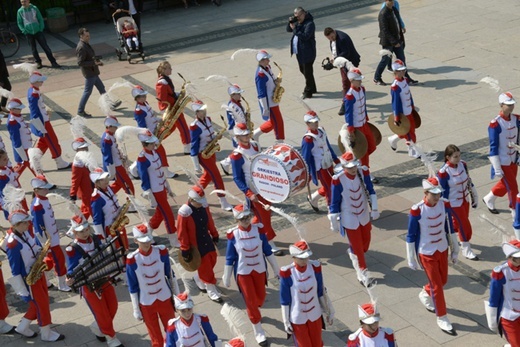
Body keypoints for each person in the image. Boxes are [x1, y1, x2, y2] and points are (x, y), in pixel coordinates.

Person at [405, 177, 459, 334]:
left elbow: (450, 227)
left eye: (438, 193)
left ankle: (425, 292)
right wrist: (411, 258)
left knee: (443, 281)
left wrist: (455, 248)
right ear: (425, 192)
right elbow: (411, 235)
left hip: (442, 248)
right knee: (437, 285)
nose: (437, 197)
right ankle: (442, 317)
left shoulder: (444, 204)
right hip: (426, 251)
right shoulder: (417, 209)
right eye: (433, 194)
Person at [222, 205, 280, 346]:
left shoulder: (259, 230)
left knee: (260, 297)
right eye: (242, 218)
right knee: (251, 301)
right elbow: (230, 257)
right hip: (243, 272)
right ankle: (258, 330)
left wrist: (276, 269)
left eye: (247, 217)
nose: (246, 220)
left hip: (259, 270)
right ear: (236, 219)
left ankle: (255, 313)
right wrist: (227, 275)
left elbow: (267, 250)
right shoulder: (233, 235)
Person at [65, 216, 124, 347]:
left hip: (104, 278)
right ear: (74, 232)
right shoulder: (72, 249)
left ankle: (98, 327)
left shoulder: (97, 238)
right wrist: (70, 279)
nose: (85, 233)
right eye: (81, 231)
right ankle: (111, 337)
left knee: (113, 306)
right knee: (102, 313)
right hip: (89, 285)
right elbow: (71, 269)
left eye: (87, 229)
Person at [6, 209, 65, 341]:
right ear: (17, 224)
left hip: (37, 273)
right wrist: (23, 290)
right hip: (29, 279)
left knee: (39, 304)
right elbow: (15, 270)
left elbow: (33, 247)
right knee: (41, 305)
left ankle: (22, 327)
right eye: (25, 222)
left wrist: (41, 251)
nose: (28, 224)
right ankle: (46, 333)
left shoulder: (25, 233)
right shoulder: (13, 244)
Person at [229, 123, 283, 255]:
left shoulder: (255, 145)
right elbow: (237, 177)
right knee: (264, 216)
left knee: (264, 214)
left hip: (264, 184)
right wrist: (248, 193)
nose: (246, 137)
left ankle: (252, 231)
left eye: (247, 134)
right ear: (237, 137)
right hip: (254, 189)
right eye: (243, 135)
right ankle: (270, 242)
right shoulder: (237, 155)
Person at [328, 151, 379, 285]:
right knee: (357, 247)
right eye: (349, 167)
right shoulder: (338, 179)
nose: (353, 169)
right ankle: (363, 272)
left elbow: (371, 190)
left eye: (354, 166)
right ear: (344, 167)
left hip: (363, 214)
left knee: (365, 242)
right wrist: (334, 222)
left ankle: (355, 254)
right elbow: (334, 202)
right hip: (349, 216)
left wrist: (374, 208)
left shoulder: (363, 172)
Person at [126, 224, 177, 347]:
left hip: (164, 297)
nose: (147, 243)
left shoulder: (161, 251)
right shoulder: (132, 259)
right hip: (147, 302)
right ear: (136, 241)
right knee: (155, 337)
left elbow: (170, 275)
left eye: (148, 240)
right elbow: (132, 287)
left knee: (172, 330)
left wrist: (176, 296)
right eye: (143, 241)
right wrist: (136, 309)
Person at [279, 240, 334, 347]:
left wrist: (329, 311)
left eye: (306, 257)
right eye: (301, 258)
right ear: (293, 257)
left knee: (317, 343)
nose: (305, 260)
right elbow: (284, 300)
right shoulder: (287, 272)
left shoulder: (315, 267)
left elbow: (321, 291)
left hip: (315, 314)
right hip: (297, 316)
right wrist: (286, 321)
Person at [177, 186, 222, 303]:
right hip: (195, 244)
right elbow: (182, 233)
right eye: (198, 202)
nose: (201, 204)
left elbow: (209, 221)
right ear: (191, 200)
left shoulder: (203, 207)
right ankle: (211, 289)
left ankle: (200, 278)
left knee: (212, 258)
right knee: (206, 265)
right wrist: (185, 248)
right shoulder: (184, 212)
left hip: (206, 239)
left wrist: (214, 233)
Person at [136, 130, 178, 247]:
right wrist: (148, 192)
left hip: (161, 187)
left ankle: (148, 230)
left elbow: (160, 170)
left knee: (160, 213)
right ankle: (173, 239)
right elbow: (144, 176)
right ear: (145, 144)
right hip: (155, 190)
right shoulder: (142, 158)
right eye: (151, 144)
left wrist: (166, 185)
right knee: (168, 214)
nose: (154, 145)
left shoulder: (155, 152)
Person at [438, 144, 479, 260]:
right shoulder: (443, 172)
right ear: (448, 157)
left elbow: (469, 181)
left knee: (459, 224)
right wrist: (444, 207)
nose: (458, 158)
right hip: (453, 203)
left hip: (465, 200)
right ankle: (466, 249)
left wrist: (474, 196)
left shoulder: (463, 164)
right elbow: (441, 192)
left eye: (459, 155)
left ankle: (449, 235)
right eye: (455, 157)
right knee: (464, 224)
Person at [189, 100, 232, 211]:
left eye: (204, 110)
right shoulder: (194, 126)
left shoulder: (208, 120)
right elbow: (193, 145)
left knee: (208, 176)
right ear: (197, 113)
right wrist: (196, 165)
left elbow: (209, 134)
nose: (204, 113)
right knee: (216, 176)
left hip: (211, 152)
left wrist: (216, 138)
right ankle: (223, 201)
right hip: (203, 154)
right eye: (201, 111)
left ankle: (194, 194)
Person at [30, 175, 71, 292]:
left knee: (48, 261)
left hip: (52, 236)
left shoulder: (44, 199)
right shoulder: (37, 205)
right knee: (59, 261)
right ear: (36, 190)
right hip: (48, 240)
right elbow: (38, 227)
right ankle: (62, 284)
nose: (47, 190)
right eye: (44, 189)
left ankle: (46, 280)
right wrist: (45, 243)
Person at [483, 92, 519, 218]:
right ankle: (515, 211)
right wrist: (497, 168)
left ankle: (489, 198)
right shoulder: (495, 124)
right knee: (513, 187)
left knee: (506, 183)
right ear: (501, 105)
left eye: (512, 104)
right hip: (503, 160)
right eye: (508, 105)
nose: (511, 107)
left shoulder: (517, 119)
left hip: (514, 159)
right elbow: (493, 147)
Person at [27, 71, 71, 170]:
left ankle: (34, 160)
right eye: (40, 81)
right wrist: (40, 126)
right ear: (35, 82)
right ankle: (59, 162)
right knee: (52, 141)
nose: (42, 83)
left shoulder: (33, 90)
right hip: (43, 123)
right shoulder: (34, 93)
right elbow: (34, 112)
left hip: (43, 120)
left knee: (44, 142)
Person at [131, 85, 177, 178]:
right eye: (141, 96)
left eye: (144, 96)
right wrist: (152, 138)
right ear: (137, 98)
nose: (144, 97)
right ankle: (166, 172)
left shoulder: (145, 103)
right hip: (148, 136)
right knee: (160, 151)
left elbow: (151, 116)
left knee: (150, 153)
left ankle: (133, 168)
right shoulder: (139, 111)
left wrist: (159, 119)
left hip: (154, 131)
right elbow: (142, 127)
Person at [76, 27, 121, 118]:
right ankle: (80, 111)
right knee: (87, 92)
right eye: (86, 36)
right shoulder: (81, 47)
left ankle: (110, 104)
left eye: (89, 36)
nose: (89, 37)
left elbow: (90, 57)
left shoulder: (85, 44)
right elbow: (80, 62)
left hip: (93, 71)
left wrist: (97, 62)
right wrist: (94, 63)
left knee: (102, 88)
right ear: (81, 36)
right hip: (90, 73)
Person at [301, 110, 339, 212]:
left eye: (316, 121)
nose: (316, 123)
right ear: (308, 124)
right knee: (330, 188)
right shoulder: (308, 139)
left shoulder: (321, 131)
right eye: (313, 122)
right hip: (321, 167)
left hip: (329, 163)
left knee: (334, 184)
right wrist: (307, 173)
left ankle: (314, 198)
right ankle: (332, 210)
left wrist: (336, 159)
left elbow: (328, 147)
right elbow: (305, 158)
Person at [373, 0, 417, 86]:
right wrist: (394, 42)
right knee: (385, 59)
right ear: (386, 1)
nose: (392, 2)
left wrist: (401, 32)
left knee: (402, 58)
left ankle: (406, 77)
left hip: (397, 39)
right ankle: (377, 77)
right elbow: (384, 30)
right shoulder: (383, 14)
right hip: (388, 42)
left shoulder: (394, 9)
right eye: (390, 1)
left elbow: (398, 22)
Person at [486, 240, 520, 347]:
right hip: (510, 316)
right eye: (517, 258)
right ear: (510, 258)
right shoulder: (501, 272)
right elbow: (494, 298)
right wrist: (493, 321)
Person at [343, 68, 378, 171]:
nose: (360, 81)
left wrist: (366, 117)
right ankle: (365, 171)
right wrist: (351, 130)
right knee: (363, 152)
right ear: (352, 81)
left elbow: (364, 104)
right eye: (358, 80)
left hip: (364, 124)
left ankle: (357, 163)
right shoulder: (349, 96)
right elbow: (348, 113)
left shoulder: (362, 89)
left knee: (372, 146)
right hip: (357, 127)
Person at [155, 61, 191, 155]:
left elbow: (169, 94)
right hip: (171, 109)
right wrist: (169, 108)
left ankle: (155, 141)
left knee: (171, 128)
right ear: (164, 70)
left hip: (173, 107)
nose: (171, 69)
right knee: (183, 127)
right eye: (169, 68)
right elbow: (162, 99)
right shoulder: (162, 83)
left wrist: (178, 94)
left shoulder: (166, 79)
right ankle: (187, 146)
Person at [323, 27, 361, 115]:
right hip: (342, 63)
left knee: (346, 82)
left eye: (332, 37)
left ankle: (345, 103)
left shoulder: (342, 39)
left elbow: (345, 53)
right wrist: (332, 60)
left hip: (350, 62)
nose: (331, 39)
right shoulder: (332, 38)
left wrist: (334, 62)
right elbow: (334, 50)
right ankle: (352, 100)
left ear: (334, 32)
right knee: (348, 82)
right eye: (329, 38)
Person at [386, 60, 419, 158]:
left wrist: (412, 106)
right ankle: (412, 151)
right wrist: (397, 117)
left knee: (408, 130)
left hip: (409, 110)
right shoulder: (395, 86)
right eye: (400, 71)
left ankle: (393, 139)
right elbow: (395, 103)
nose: (403, 72)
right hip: (403, 113)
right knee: (410, 132)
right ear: (395, 72)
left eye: (403, 70)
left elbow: (409, 94)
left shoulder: (404, 80)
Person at [90, 168, 129, 249]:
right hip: (110, 229)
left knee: (125, 247)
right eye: (102, 180)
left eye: (106, 178)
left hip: (119, 223)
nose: (106, 181)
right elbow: (97, 220)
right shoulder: (96, 198)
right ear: (97, 183)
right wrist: (102, 238)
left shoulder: (108, 188)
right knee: (118, 251)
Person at [252, 50, 285, 143]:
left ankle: (256, 134)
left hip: (273, 100)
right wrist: (265, 109)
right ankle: (279, 141)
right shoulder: (260, 75)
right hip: (269, 102)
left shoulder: (267, 67)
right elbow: (261, 93)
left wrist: (276, 81)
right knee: (277, 122)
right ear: (261, 61)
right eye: (266, 59)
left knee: (275, 122)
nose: (269, 61)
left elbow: (272, 78)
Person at [16, 0, 60, 69]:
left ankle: (53, 62)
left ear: (28, 1)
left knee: (45, 47)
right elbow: (19, 22)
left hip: (38, 31)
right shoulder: (20, 11)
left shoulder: (34, 8)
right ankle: (38, 62)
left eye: (24, 1)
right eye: (21, 2)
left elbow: (40, 18)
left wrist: (40, 28)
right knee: (33, 49)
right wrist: (24, 31)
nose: (23, 3)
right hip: (28, 33)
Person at [286, 7, 316, 99]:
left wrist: (295, 29)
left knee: (307, 72)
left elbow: (305, 36)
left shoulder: (310, 24)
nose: (297, 18)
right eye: (295, 16)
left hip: (307, 52)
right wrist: (290, 22)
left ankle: (308, 91)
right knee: (303, 70)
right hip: (299, 51)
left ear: (304, 14)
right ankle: (313, 87)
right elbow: (288, 30)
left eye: (299, 16)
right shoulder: (297, 22)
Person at [101, 116, 135, 196]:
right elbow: (107, 156)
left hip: (118, 164)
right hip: (116, 166)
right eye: (115, 126)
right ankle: (131, 203)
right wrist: (111, 170)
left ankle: (105, 196)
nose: (116, 128)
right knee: (127, 184)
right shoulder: (107, 139)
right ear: (109, 127)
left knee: (119, 183)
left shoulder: (110, 135)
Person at [220, 83, 247, 175]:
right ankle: (226, 163)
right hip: (236, 130)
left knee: (240, 149)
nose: (240, 95)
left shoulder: (236, 104)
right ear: (233, 95)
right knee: (239, 149)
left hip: (240, 129)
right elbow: (236, 120)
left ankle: (226, 163)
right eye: (238, 94)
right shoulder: (232, 106)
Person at [6, 98, 34, 178]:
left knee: (28, 164)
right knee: (25, 165)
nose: (21, 110)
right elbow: (15, 138)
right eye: (19, 109)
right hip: (23, 147)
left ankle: (40, 179)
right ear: (13, 109)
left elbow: (22, 126)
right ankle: (11, 180)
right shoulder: (12, 121)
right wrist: (20, 152)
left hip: (26, 145)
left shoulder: (17, 116)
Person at [70, 138, 94, 219]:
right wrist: (73, 194)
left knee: (85, 211)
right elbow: (75, 181)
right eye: (84, 148)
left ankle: (79, 225)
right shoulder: (77, 165)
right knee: (94, 212)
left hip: (92, 188)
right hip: (86, 193)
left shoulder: (86, 158)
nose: (86, 149)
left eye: (86, 147)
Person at [0, 48, 11, 113]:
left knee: (7, 87)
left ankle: (2, 106)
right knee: (7, 87)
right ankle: (1, 107)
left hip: (2, 71)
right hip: (1, 73)